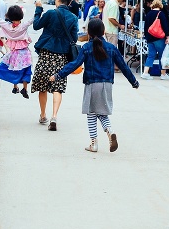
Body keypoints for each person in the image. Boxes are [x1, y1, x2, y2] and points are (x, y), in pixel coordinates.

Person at [50, 18, 139, 153]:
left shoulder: (86, 48)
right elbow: (123, 66)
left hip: (92, 84)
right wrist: (134, 82)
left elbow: (75, 64)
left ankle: (94, 143)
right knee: (102, 113)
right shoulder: (111, 48)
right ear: (103, 32)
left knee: (91, 114)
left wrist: (58, 75)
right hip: (107, 85)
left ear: (89, 33)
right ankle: (109, 131)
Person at [31, 0, 79, 131]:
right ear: (70, 2)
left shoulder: (51, 13)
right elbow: (74, 38)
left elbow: (36, 25)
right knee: (57, 87)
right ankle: (54, 116)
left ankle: (43, 115)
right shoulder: (73, 18)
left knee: (42, 86)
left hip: (46, 54)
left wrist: (38, 9)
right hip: (61, 56)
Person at [0, 5, 34, 98]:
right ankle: (25, 88)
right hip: (24, 53)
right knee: (26, 69)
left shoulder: (6, 26)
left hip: (13, 53)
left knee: (13, 68)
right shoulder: (23, 26)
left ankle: (15, 87)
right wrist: (39, 11)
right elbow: (31, 20)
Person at [140, 0, 169, 80]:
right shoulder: (161, 14)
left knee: (151, 55)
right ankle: (163, 74)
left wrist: (147, 36)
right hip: (159, 38)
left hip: (150, 38)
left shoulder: (149, 13)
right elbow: (165, 26)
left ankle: (145, 73)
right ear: (160, 5)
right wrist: (167, 36)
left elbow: (145, 26)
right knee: (162, 55)